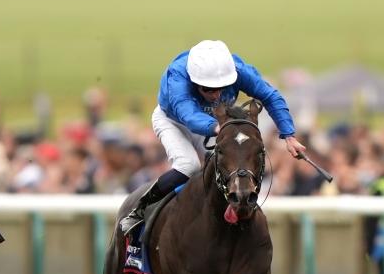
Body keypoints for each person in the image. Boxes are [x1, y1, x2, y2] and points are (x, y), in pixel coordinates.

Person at [118, 39, 307, 235]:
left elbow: (271, 96)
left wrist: (289, 135)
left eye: (222, 87)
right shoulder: (177, 76)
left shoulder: (239, 70)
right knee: (189, 166)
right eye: (208, 89)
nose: (216, 95)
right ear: (194, 81)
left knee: (230, 164)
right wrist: (218, 127)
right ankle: (140, 209)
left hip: (216, 123)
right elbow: (189, 115)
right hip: (174, 122)